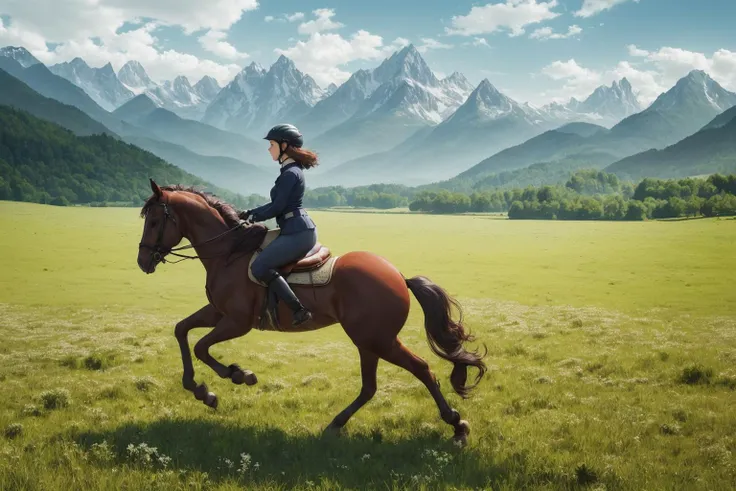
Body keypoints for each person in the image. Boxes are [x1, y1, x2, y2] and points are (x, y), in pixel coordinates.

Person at [239, 123, 318, 326]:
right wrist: (250, 212)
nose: (269, 149)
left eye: (272, 144)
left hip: (297, 233)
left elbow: (277, 208)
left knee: (259, 266)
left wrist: (253, 218)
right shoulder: (290, 171)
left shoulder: (290, 173)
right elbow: (276, 204)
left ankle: (299, 310)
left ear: (284, 146)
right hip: (295, 229)